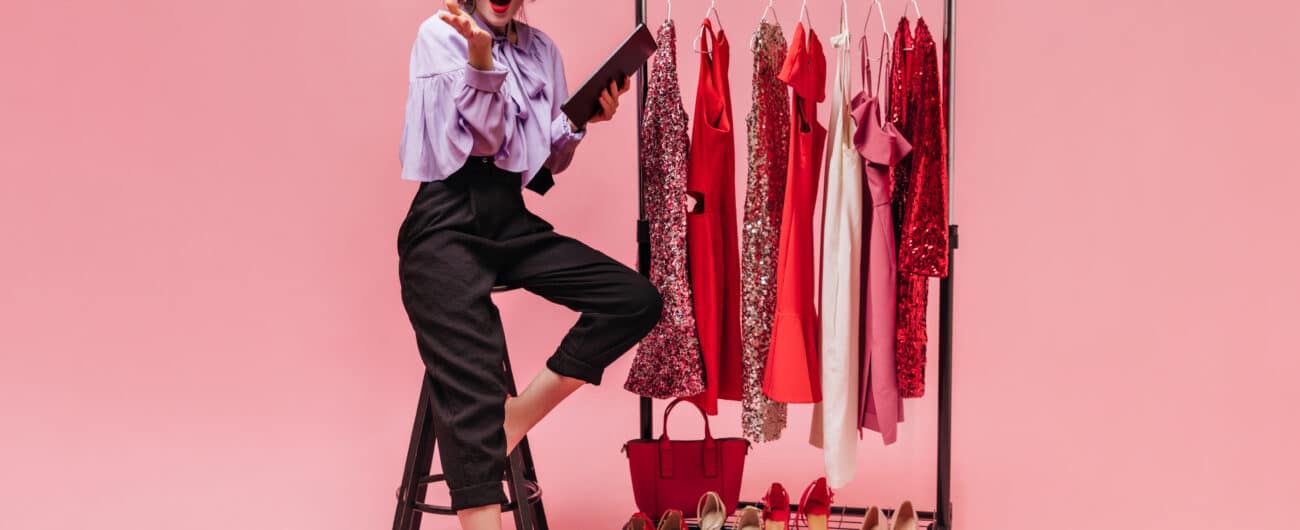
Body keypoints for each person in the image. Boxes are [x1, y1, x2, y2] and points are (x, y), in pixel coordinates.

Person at [395, 1, 662, 529]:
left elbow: (539, 162)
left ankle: (516, 415)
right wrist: (479, 59)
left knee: (635, 300)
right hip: (443, 224)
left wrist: (586, 118)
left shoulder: (540, 49)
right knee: (474, 383)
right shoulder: (438, 35)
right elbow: (484, 141)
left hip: (508, 219)